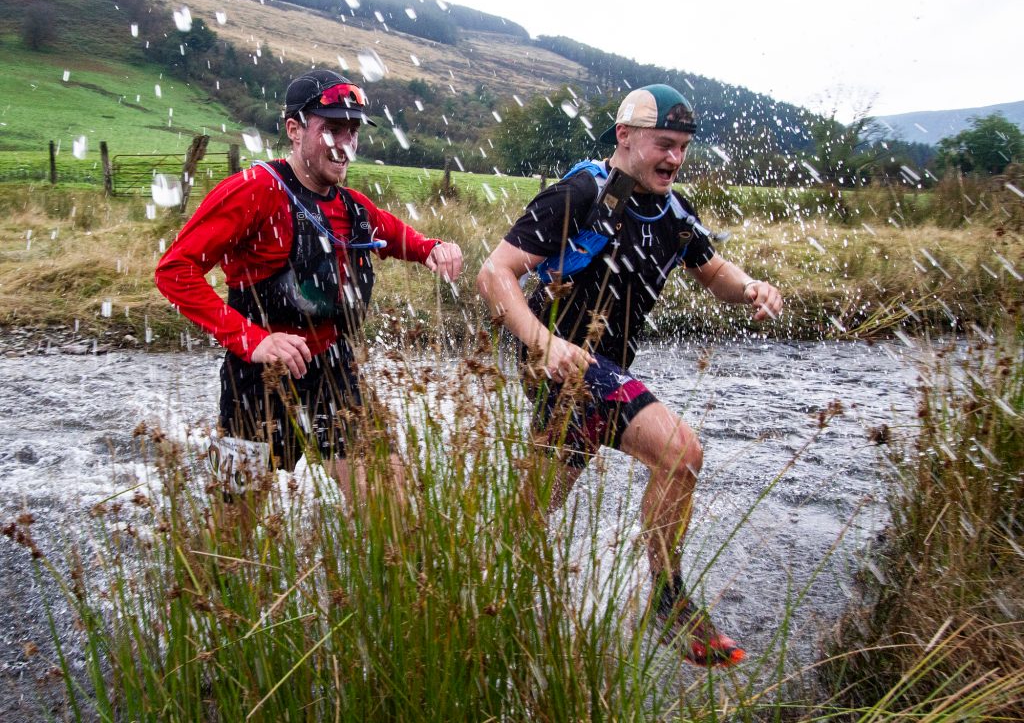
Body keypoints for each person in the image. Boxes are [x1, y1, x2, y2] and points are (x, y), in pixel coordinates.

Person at [476, 83, 782, 666]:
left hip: (598, 372)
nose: (675, 158)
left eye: (684, 147)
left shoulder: (673, 212)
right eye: (664, 144)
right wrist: (545, 343)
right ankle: (667, 605)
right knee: (680, 453)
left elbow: (713, 271)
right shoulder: (582, 193)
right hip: (562, 363)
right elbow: (496, 273)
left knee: (529, 512)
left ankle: (484, 602)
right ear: (625, 137)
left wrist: (750, 289)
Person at [156, 70, 463, 500]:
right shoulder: (255, 191)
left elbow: (395, 235)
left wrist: (433, 249)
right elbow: (174, 270)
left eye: (352, 131)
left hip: (335, 374)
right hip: (258, 383)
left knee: (393, 513)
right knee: (229, 539)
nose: (345, 144)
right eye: (332, 129)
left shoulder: (352, 206)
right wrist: (252, 339)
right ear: (295, 130)